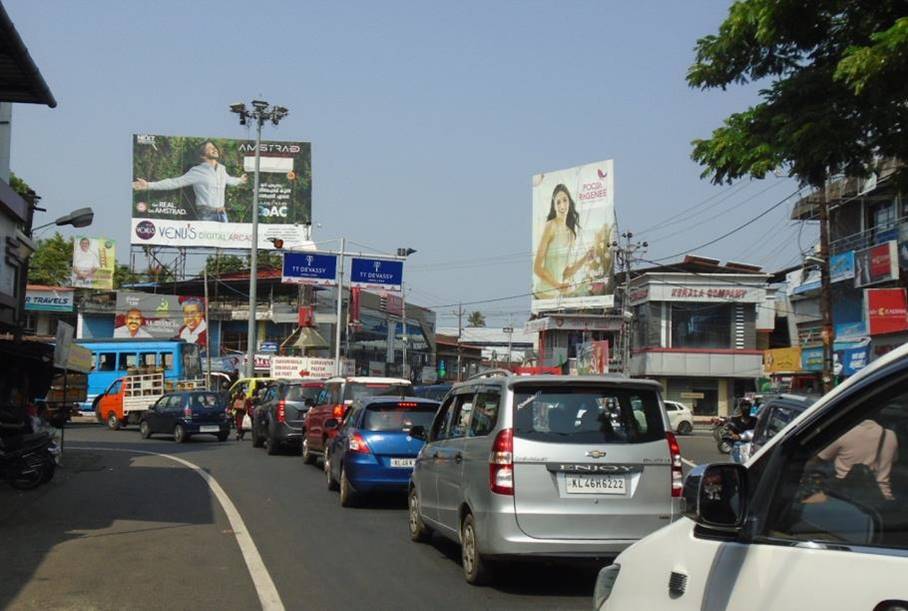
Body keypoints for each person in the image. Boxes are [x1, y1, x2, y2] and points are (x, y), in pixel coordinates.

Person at [133, 140, 247, 222]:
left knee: (224, 245)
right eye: (210, 148)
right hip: (206, 214)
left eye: (214, 147)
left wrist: (240, 180)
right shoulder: (197, 171)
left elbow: (228, 180)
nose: (214, 149)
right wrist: (148, 185)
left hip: (223, 214)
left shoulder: (222, 169)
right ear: (203, 156)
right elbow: (174, 182)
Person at [533, 184, 594, 298]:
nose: (562, 205)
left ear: (569, 202)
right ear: (554, 205)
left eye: (565, 200)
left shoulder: (571, 234)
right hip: (542, 294)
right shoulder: (550, 226)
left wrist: (586, 257)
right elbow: (537, 267)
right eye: (558, 202)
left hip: (556, 297)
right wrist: (557, 285)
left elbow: (566, 272)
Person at [816, 418, 898, 501]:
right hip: (882, 497)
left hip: (846, 496)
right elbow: (893, 460)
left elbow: (820, 458)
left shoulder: (845, 433)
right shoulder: (890, 435)